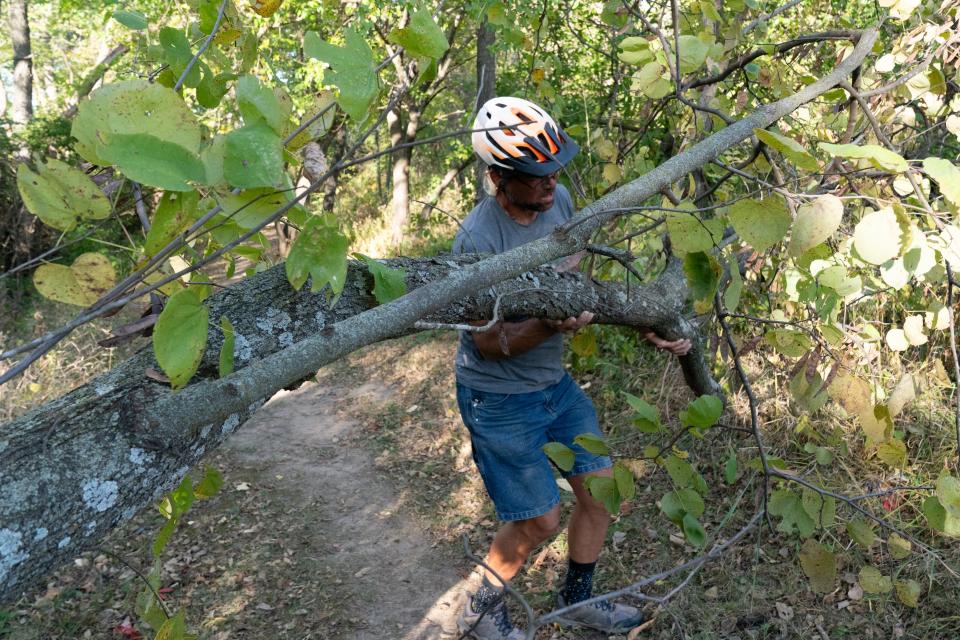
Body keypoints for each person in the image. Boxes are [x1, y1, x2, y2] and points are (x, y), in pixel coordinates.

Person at [453, 96, 692, 639]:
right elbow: (489, 342)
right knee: (539, 520)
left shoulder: (556, 203)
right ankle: (479, 610)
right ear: (497, 177)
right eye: (535, 176)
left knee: (601, 491)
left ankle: (575, 599)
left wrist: (650, 324)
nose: (551, 184)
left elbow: (578, 275)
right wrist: (550, 323)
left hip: (552, 386)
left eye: (555, 171)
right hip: (498, 396)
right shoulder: (476, 241)